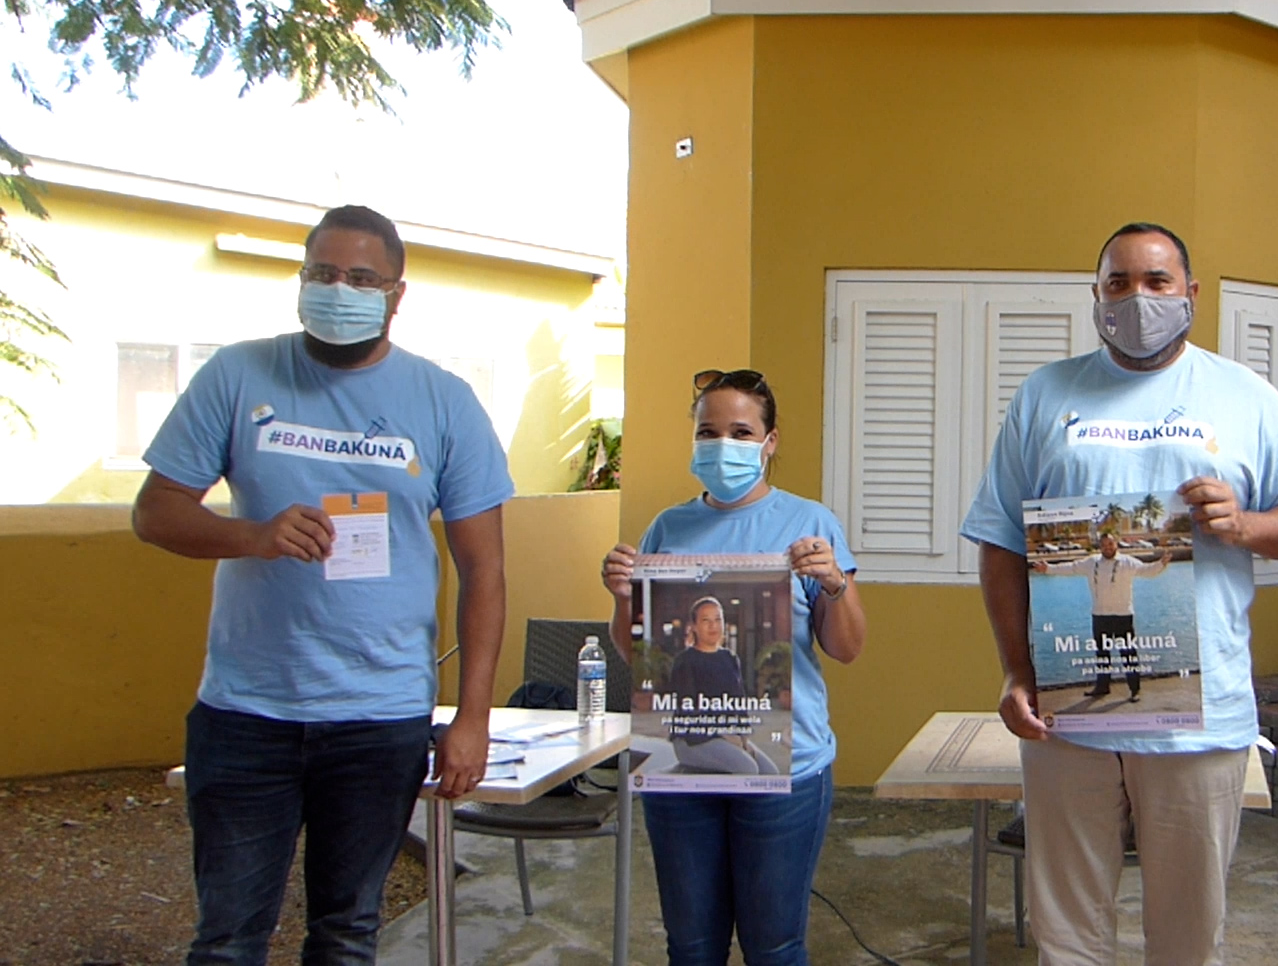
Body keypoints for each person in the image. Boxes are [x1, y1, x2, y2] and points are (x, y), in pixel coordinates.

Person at [131, 205, 513, 965]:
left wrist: (472, 717)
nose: (340, 289)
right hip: (246, 711)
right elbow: (155, 513)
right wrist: (254, 535)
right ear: (302, 281)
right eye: (323, 274)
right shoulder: (238, 375)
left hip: (380, 718)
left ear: (396, 294)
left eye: (361, 278)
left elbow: (485, 571)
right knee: (230, 937)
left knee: (345, 935)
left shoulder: (444, 401)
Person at [963, 222, 1278, 965]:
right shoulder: (1047, 393)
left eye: (1158, 281)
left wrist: (1246, 523)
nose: (1138, 298)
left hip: (1199, 717)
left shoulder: (1245, 394)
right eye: (1120, 282)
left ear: (1192, 294)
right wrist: (1016, 668)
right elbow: (1001, 540)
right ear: (1097, 296)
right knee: (1067, 936)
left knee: (1188, 937)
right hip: (1068, 712)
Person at [601, 368, 867, 966]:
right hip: (680, 775)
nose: (724, 445)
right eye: (709, 431)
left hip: (790, 767)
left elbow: (847, 648)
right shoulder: (667, 528)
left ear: (770, 442)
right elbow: (634, 653)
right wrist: (624, 599)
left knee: (774, 947)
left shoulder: (811, 523)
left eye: (743, 432)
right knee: (691, 946)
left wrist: (832, 585)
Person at [1034, 532, 1171, 701]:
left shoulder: (1128, 562)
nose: (1108, 548)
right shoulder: (1092, 562)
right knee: (1102, 654)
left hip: (1123, 616)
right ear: (1100, 547)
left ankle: (1135, 690)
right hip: (1100, 616)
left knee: (1128, 654)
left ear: (1116, 545)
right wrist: (1048, 568)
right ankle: (1102, 687)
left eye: (1111, 544)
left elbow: (1146, 570)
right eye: (1104, 545)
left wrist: (1161, 564)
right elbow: (1071, 567)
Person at [668, 596, 778, 775]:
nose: (713, 626)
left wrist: (743, 738)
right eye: (706, 621)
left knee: (770, 773)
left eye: (718, 619)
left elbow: (739, 703)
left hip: (729, 737)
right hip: (693, 740)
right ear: (694, 626)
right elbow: (688, 711)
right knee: (747, 768)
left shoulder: (730, 658)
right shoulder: (685, 661)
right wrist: (722, 735)